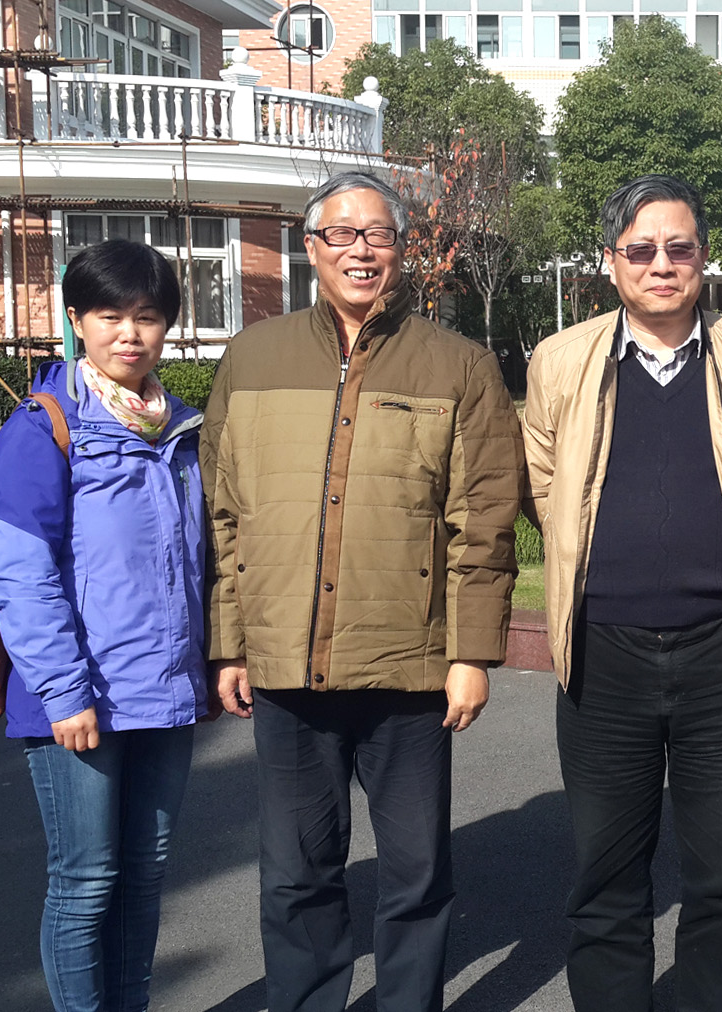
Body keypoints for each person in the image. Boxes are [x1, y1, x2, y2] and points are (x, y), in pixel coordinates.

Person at [200, 171, 524, 1012]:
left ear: (402, 249)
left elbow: (484, 522)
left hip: (409, 669)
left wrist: (472, 653)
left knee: (415, 874)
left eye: (377, 233)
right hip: (285, 666)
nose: (360, 250)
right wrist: (230, 642)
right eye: (341, 233)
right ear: (310, 247)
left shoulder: (458, 365)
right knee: (296, 873)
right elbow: (225, 515)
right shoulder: (252, 359)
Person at [522, 174, 722, 1012]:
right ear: (611, 261)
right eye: (641, 249)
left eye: (678, 248)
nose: (661, 265)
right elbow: (544, 486)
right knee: (607, 880)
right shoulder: (561, 360)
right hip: (602, 656)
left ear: (703, 257)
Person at [0, 239, 208, 1012]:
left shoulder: (178, 429)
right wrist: (64, 691)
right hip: (79, 699)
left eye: (147, 316)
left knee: (143, 876)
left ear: (167, 326)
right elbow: (18, 570)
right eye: (109, 315)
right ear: (77, 321)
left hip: (164, 695)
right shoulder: (44, 427)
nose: (129, 333)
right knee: (85, 882)